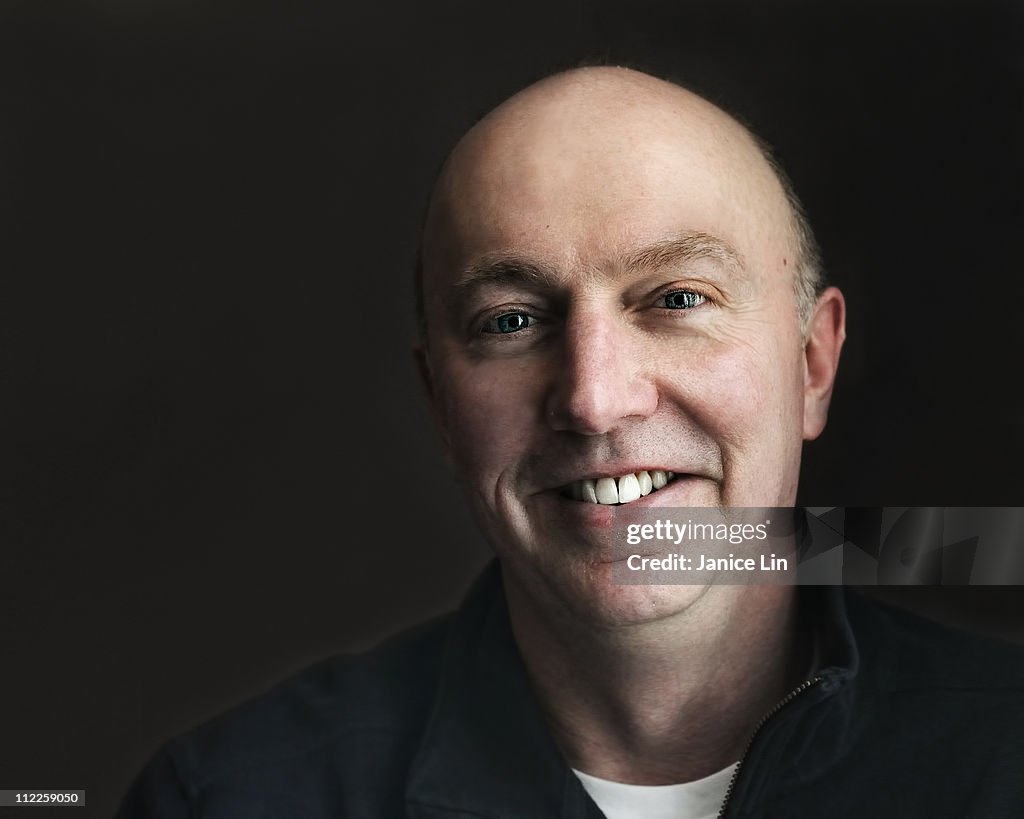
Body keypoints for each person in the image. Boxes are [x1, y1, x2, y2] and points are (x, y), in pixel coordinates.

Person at [117, 66, 1024, 818]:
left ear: (812, 365)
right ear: (439, 402)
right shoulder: (229, 801)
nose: (594, 399)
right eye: (511, 320)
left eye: (675, 299)